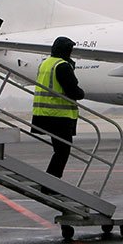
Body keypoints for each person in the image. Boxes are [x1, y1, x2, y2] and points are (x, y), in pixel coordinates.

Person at [31, 36, 85, 179]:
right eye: (70, 50)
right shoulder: (62, 66)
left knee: (59, 150)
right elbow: (73, 91)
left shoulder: (46, 63)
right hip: (58, 116)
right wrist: (82, 93)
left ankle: (51, 181)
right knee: (63, 151)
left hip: (43, 114)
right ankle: (51, 182)